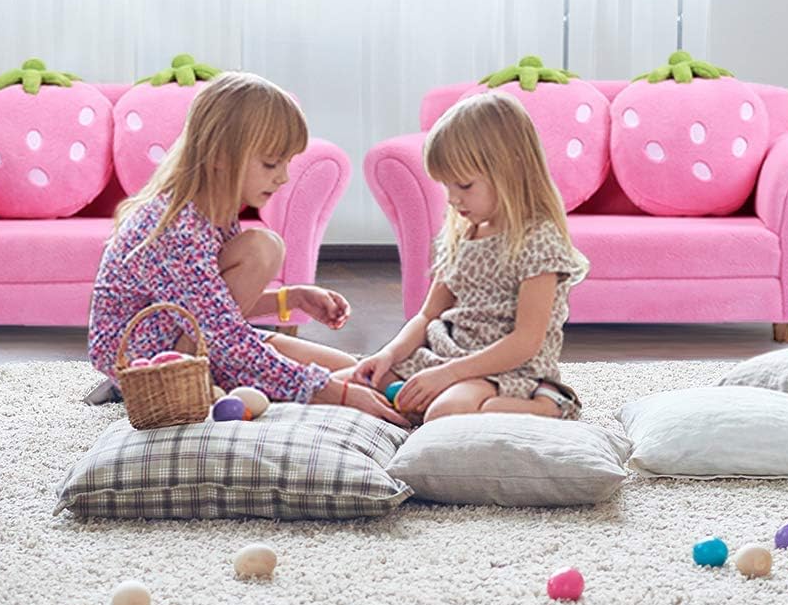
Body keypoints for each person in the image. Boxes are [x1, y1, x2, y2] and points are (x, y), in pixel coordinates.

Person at [88, 71, 406, 424]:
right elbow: (223, 333)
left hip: (193, 335)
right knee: (263, 254)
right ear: (220, 155)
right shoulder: (176, 228)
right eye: (271, 163)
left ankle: (400, 394)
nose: (283, 177)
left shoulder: (215, 213)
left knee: (367, 374)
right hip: (148, 359)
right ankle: (173, 381)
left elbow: (212, 308)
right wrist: (335, 394)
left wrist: (292, 298)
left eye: (286, 163)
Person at [352, 92, 588, 421]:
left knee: (444, 412)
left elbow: (525, 341)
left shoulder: (538, 241)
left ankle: (547, 406)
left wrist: (449, 376)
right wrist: (388, 355)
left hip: (502, 369)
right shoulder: (464, 231)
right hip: (448, 355)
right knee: (359, 385)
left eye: (463, 186)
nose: (452, 200)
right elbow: (427, 316)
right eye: (446, 187)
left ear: (511, 171)